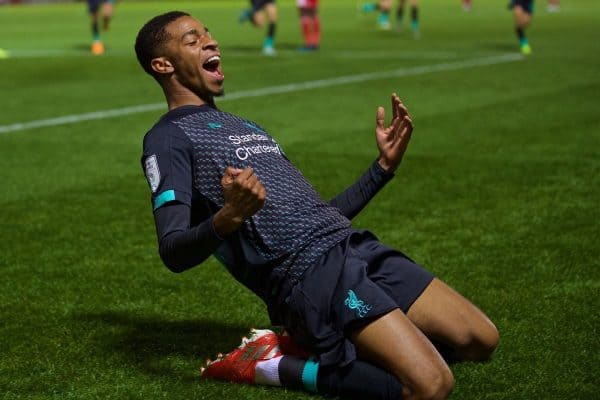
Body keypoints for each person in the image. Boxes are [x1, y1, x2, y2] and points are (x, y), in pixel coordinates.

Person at [135, 11, 499, 400]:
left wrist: (382, 169)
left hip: (352, 245)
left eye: (209, 34)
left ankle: (344, 341)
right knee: (429, 386)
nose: (211, 41)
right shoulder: (168, 139)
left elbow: (319, 216)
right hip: (308, 276)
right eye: (193, 40)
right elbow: (173, 250)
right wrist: (229, 216)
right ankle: (275, 366)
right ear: (163, 64)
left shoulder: (246, 125)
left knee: (479, 339)